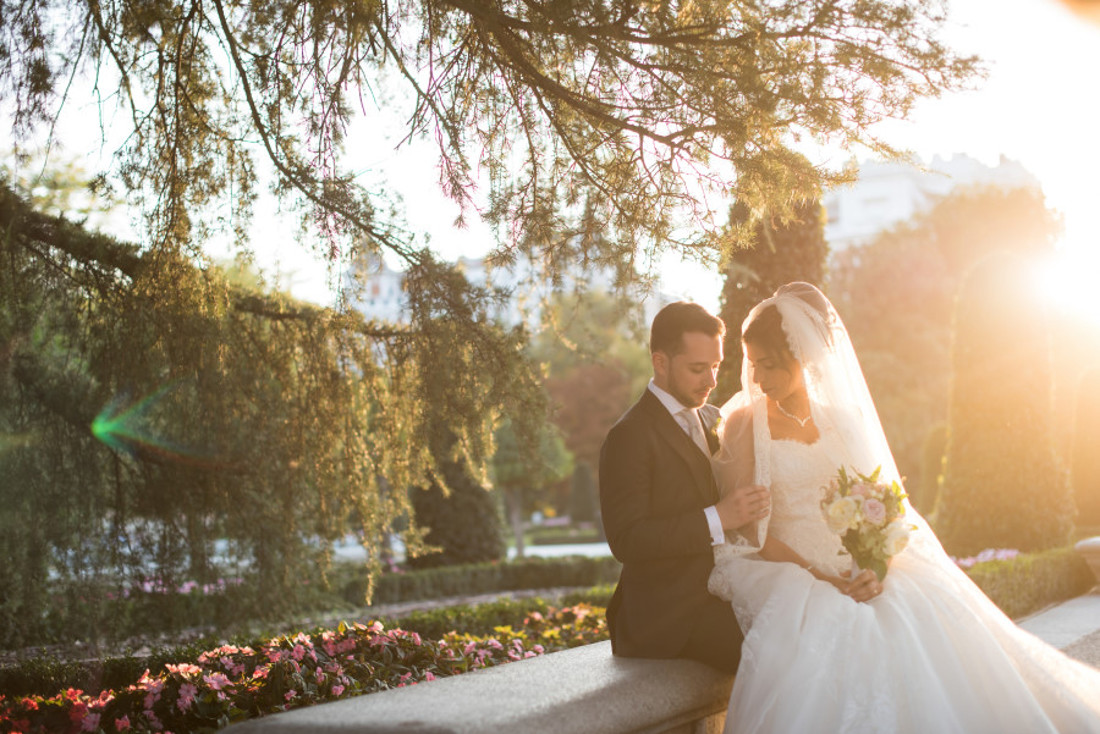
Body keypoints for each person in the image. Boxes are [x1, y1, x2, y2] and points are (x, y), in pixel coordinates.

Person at [708, 282, 1100, 733]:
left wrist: (875, 565)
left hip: (862, 571)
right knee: (837, 632)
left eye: (769, 364)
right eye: (753, 365)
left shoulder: (844, 420)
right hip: (791, 569)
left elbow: (885, 506)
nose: (758, 379)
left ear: (803, 355)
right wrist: (822, 577)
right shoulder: (743, 425)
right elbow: (746, 534)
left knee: (927, 616)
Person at [599, 301, 771, 673]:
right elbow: (626, 539)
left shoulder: (712, 417)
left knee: (805, 626)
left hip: (722, 593)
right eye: (698, 369)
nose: (711, 381)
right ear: (660, 362)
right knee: (772, 651)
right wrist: (718, 518)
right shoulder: (629, 436)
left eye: (715, 366)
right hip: (665, 618)